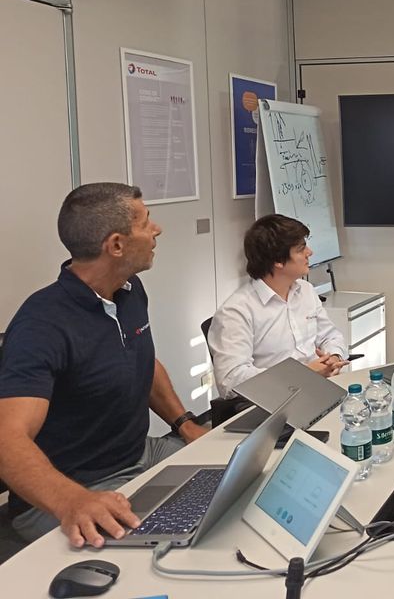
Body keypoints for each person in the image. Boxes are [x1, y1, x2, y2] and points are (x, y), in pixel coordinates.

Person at [0, 183, 209, 548]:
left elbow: (142, 362)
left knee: (232, 478)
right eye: (146, 222)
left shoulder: (129, 290)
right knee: (174, 549)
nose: (157, 229)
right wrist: (73, 500)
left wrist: (185, 423)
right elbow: (7, 439)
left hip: (139, 454)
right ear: (116, 245)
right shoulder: (42, 325)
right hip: (76, 488)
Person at [207, 214, 349, 397]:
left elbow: (331, 336)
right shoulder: (236, 312)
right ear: (278, 261)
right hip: (276, 400)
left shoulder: (305, 290)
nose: (310, 252)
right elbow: (231, 381)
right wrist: (302, 375)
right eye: (301, 249)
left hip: (318, 388)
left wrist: (334, 357)